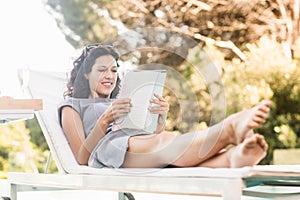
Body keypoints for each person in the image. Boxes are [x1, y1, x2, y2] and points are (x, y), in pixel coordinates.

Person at [58, 44, 271, 169]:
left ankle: (233, 158)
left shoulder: (118, 100)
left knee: (164, 141)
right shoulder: (72, 106)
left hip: (134, 142)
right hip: (107, 151)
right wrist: (104, 120)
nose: (109, 76)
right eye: (102, 69)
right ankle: (229, 129)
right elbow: (81, 158)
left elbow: (145, 135)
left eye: (114, 70)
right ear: (86, 74)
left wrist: (159, 119)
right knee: (164, 142)